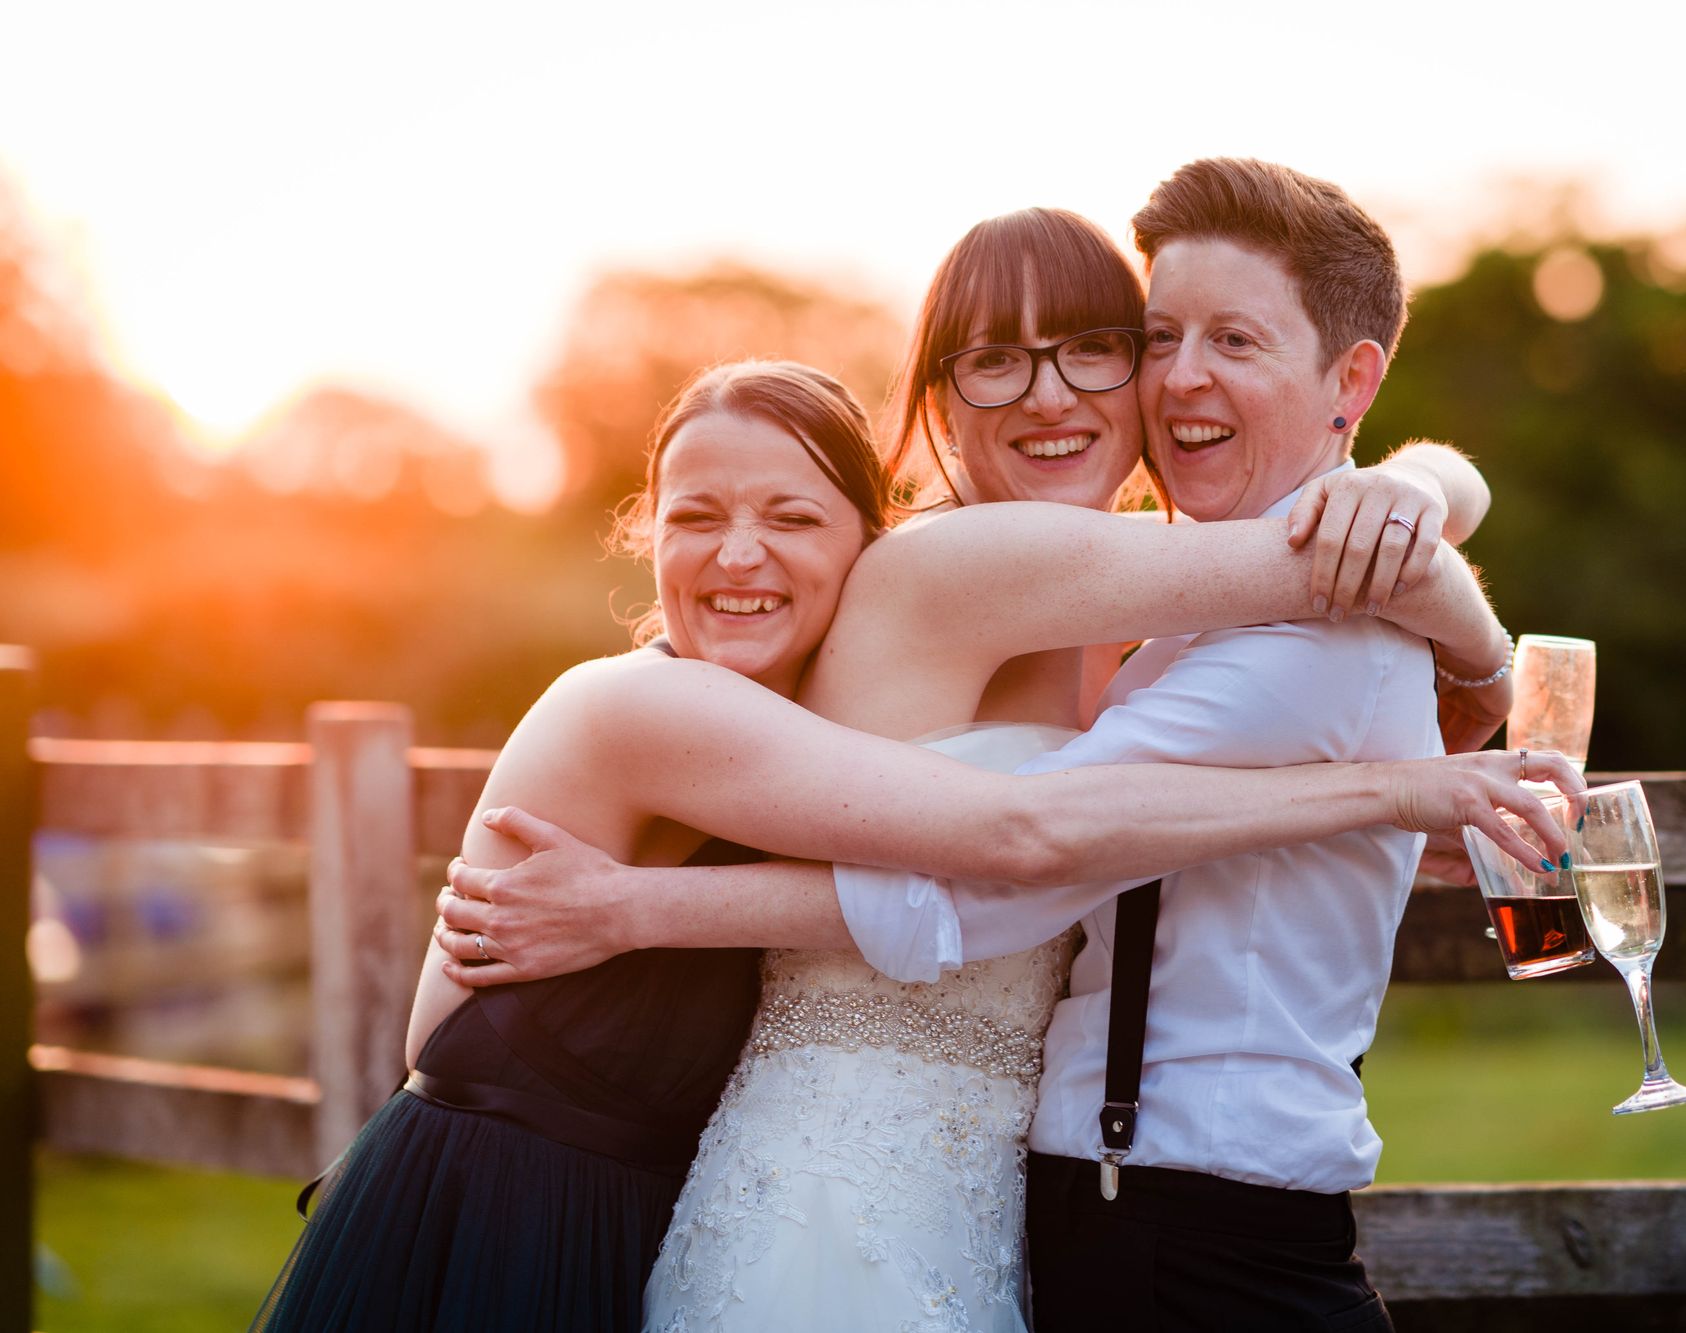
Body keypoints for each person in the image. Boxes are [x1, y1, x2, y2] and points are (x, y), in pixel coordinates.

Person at [435, 205, 1565, 1330]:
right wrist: (1471, 641)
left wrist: (1420, 491)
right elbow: (1341, 568)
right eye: (992, 363)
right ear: (935, 401)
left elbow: (1357, 544)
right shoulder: (965, 563)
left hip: (983, 1192)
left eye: (1092, 348)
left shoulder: (1114, 616)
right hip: (839, 1182)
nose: (1048, 394)